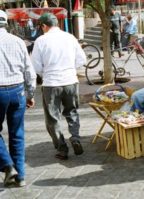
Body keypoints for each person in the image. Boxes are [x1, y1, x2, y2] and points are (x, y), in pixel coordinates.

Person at [31, 13, 87, 160]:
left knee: (52, 118)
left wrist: (46, 73)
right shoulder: (70, 37)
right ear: (57, 23)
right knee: (72, 112)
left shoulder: (41, 40)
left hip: (51, 83)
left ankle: (62, 148)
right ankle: (75, 137)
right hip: (70, 81)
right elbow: (82, 59)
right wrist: (69, 68)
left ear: (44, 26)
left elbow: (36, 66)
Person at [0, 10, 36, 187]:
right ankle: (20, 176)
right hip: (17, 91)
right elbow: (29, 70)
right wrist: (30, 94)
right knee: (17, 134)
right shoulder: (18, 42)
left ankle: (8, 166)